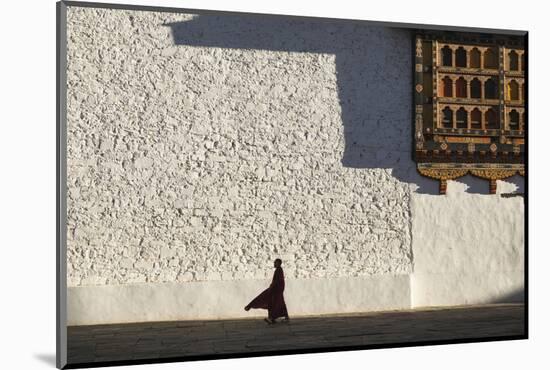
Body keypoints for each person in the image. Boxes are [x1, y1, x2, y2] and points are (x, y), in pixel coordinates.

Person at [244, 258, 289, 324]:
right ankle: (282, 317)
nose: (274, 264)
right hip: (277, 290)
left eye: (275, 262)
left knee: (272, 303)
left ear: (279, 263)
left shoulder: (279, 270)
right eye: (274, 262)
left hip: (276, 291)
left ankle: (271, 318)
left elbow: (278, 281)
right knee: (279, 303)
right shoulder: (278, 270)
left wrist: (272, 287)